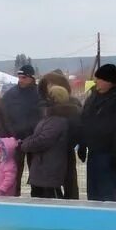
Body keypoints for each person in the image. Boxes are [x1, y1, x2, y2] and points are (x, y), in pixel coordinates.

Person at [79, 64, 116, 202]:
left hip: (109, 153)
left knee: (109, 191)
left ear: (108, 81)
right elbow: (85, 121)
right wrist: (82, 143)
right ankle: (95, 218)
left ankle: (114, 219)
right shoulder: (94, 96)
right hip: (93, 151)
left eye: (99, 79)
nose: (96, 82)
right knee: (94, 191)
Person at [16, 85, 77, 198]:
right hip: (42, 168)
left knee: (52, 201)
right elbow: (37, 136)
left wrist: (25, 144)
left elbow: (43, 140)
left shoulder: (57, 120)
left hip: (49, 170)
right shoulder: (50, 117)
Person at [38, 71, 81, 199]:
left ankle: (70, 207)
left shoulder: (72, 105)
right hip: (50, 151)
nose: (50, 87)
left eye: (52, 84)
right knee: (52, 185)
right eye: (48, 84)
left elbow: (77, 127)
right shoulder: (43, 104)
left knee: (68, 182)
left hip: (64, 149)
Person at [0, 64, 42, 192]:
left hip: (35, 141)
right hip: (15, 141)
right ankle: (14, 198)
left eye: (24, 77)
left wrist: (37, 135)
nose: (21, 80)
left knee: (36, 174)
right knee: (13, 173)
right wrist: (10, 135)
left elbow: (44, 117)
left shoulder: (40, 93)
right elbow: (4, 116)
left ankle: (38, 199)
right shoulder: (10, 95)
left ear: (31, 78)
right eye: (19, 77)